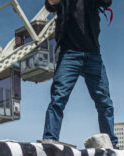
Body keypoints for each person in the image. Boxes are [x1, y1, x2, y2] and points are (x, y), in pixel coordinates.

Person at [42, 0, 118, 148]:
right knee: (58, 98)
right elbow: (50, 3)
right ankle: (50, 139)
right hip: (69, 54)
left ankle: (111, 145)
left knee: (104, 102)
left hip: (93, 54)